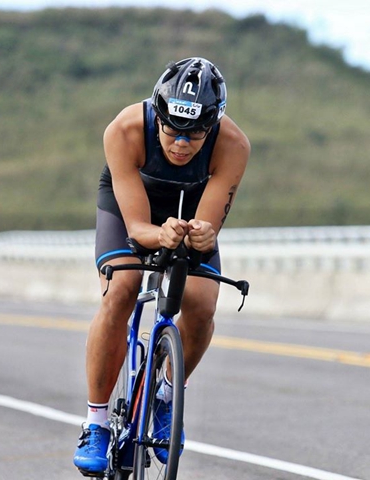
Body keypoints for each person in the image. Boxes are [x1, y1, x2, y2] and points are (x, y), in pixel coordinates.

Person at [73, 57, 250, 476]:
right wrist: (159, 234)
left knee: (203, 304)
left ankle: (167, 395)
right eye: (172, 129)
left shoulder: (234, 145)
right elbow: (136, 227)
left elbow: (206, 224)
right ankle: (96, 423)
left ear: (214, 124)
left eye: (195, 134)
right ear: (157, 114)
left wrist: (202, 236)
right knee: (122, 289)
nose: (182, 144)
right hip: (130, 203)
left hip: (189, 207)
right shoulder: (124, 130)